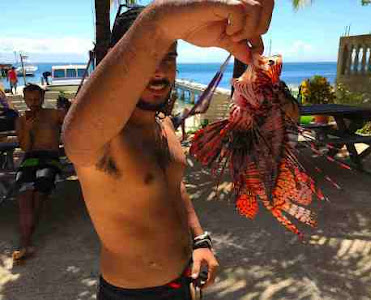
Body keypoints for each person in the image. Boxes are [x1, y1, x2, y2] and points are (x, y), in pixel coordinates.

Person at [62, 0, 274, 299]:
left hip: (185, 281)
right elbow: (75, 139)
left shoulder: (163, 123)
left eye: (169, 57)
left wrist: (200, 241)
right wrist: (158, 22)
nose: (160, 71)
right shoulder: (106, 137)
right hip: (131, 294)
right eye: (149, 58)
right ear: (116, 61)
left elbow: (174, 187)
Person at [12, 84, 66, 262]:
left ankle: (25, 241)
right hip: (30, 158)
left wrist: (67, 107)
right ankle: (25, 242)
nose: (33, 103)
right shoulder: (21, 120)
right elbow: (26, 147)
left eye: (37, 99)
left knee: (39, 193)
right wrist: (27, 128)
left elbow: (73, 120)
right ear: (24, 100)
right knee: (24, 195)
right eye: (29, 100)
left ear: (43, 97)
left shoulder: (54, 114)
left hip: (50, 158)